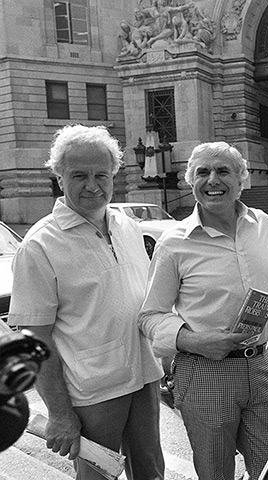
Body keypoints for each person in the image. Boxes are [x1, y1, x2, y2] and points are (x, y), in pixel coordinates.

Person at [8, 124, 165, 479]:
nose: (92, 185)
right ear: (59, 178)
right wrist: (60, 413)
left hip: (143, 376)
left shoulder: (126, 225)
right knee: (98, 477)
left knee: (152, 473)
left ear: (114, 176)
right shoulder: (40, 245)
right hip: (92, 393)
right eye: (79, 175)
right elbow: (35, 341)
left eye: (101, 174)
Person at [138, 142, 268, 480]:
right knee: (216, 473)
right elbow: (149, 316)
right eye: (203, 172)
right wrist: (194, 340)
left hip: (260, 365)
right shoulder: (174, 244)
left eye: (223, 171)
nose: (213, 180)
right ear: (190, 181)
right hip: (205, 373)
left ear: (242, 180)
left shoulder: (262, 225)